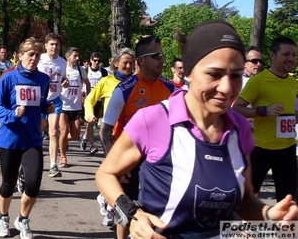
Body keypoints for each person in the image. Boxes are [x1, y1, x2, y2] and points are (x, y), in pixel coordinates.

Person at [95, 21, 298, 239]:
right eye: (214, 74)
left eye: (236, 75)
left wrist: (269, 215)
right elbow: (106, 174)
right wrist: (133, 214)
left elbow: (244, 200)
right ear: (189, 72)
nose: (227, 87)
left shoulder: (240, 128)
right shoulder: (154, 119)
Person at [99, 35, 175, 238]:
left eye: (162, 55)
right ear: (141, 60)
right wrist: (115, 165)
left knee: (158, 208)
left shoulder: (170, 88)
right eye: (156, 55)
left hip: (159, 158)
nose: (162, 59)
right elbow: (105, 130)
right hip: (129, 157)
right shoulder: (124, 89)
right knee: (128, 208)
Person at [0, 38, 53, 239]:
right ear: (20, 56)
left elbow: (38, 103)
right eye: (30, 54)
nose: (34, 58)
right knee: (8, 184)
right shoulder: (8, 78)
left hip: (32, 139)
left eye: (37, 55)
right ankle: (3, 217)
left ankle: (23, 219)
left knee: (33, 183)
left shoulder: (43, 79)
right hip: (10, 140)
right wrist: (11, 114)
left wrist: (45, 107)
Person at [233, 36, 297, 202]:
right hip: (262, 148)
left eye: (294, 55)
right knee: (248, 195)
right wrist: (262, 111)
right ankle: (243, 228)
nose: (291, 59)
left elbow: (291, 114)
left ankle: (286, 228)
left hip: (288, 148)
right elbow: (236, 109)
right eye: (286, 54)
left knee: (288, 199)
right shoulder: (259, 81)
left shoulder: (293, 82)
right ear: (273, 55)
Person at [83, 47, 135, 226]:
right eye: (125, 63)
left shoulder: (138, 83)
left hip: (133, 136)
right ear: (115, 63)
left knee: (127, 176)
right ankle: (112, 211)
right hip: (111, 135)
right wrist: (89, 115)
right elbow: (90, 99)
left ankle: (104, 198)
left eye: (131, 63)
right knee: (118, 173)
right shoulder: (106, 82)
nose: (128, 66)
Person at [37, 33, 68, 178]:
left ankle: (53, 165)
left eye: (57, 45)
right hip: (38, 100)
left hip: (54, 99)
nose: (54, 47)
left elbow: (63, 78)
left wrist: (65, 81)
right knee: (37, 131)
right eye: (52, 44)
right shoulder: (39, 59)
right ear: (46, 46)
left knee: (54, 132)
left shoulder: (63, 62)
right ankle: (32, 160)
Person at [58, 47, 90, 169]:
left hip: (76, 106)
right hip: (63, 105)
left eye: (78, 56)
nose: (77, 58)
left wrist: (87, 97)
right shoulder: (62, 69)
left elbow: (87, 83)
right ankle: (63, 157)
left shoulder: (81, 70)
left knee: (75, 135)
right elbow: (56, 84)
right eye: (74, 56)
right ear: (68, 57)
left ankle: (62, 141)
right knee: (64, 131)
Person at [80, 52, 108, 153]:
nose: (96, 62)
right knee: (90, 121)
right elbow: (81, 83)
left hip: (98, 99)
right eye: (94, 60)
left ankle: (84, 137)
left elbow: (105, 86)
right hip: (87, 100)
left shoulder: (103, 72)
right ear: (90, 60)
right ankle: (92, 145)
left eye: (98, 61)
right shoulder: (85, 70)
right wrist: (82, 95)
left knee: (92, 122)